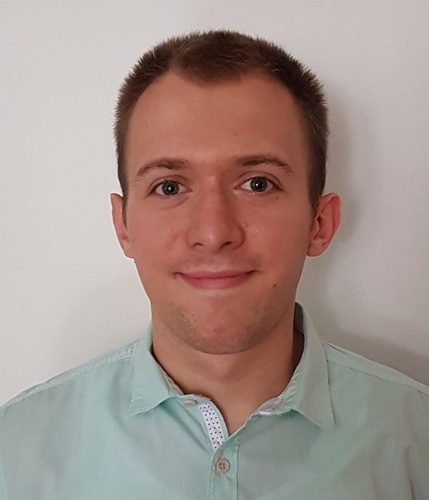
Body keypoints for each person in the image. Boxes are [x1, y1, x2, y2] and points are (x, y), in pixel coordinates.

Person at [0, 30, 428, 500]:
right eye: (169, 187)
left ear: (319, 224)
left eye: (258, 184)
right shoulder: (15, 449)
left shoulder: (415, 442)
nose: (212, 231)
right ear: (123, 226)